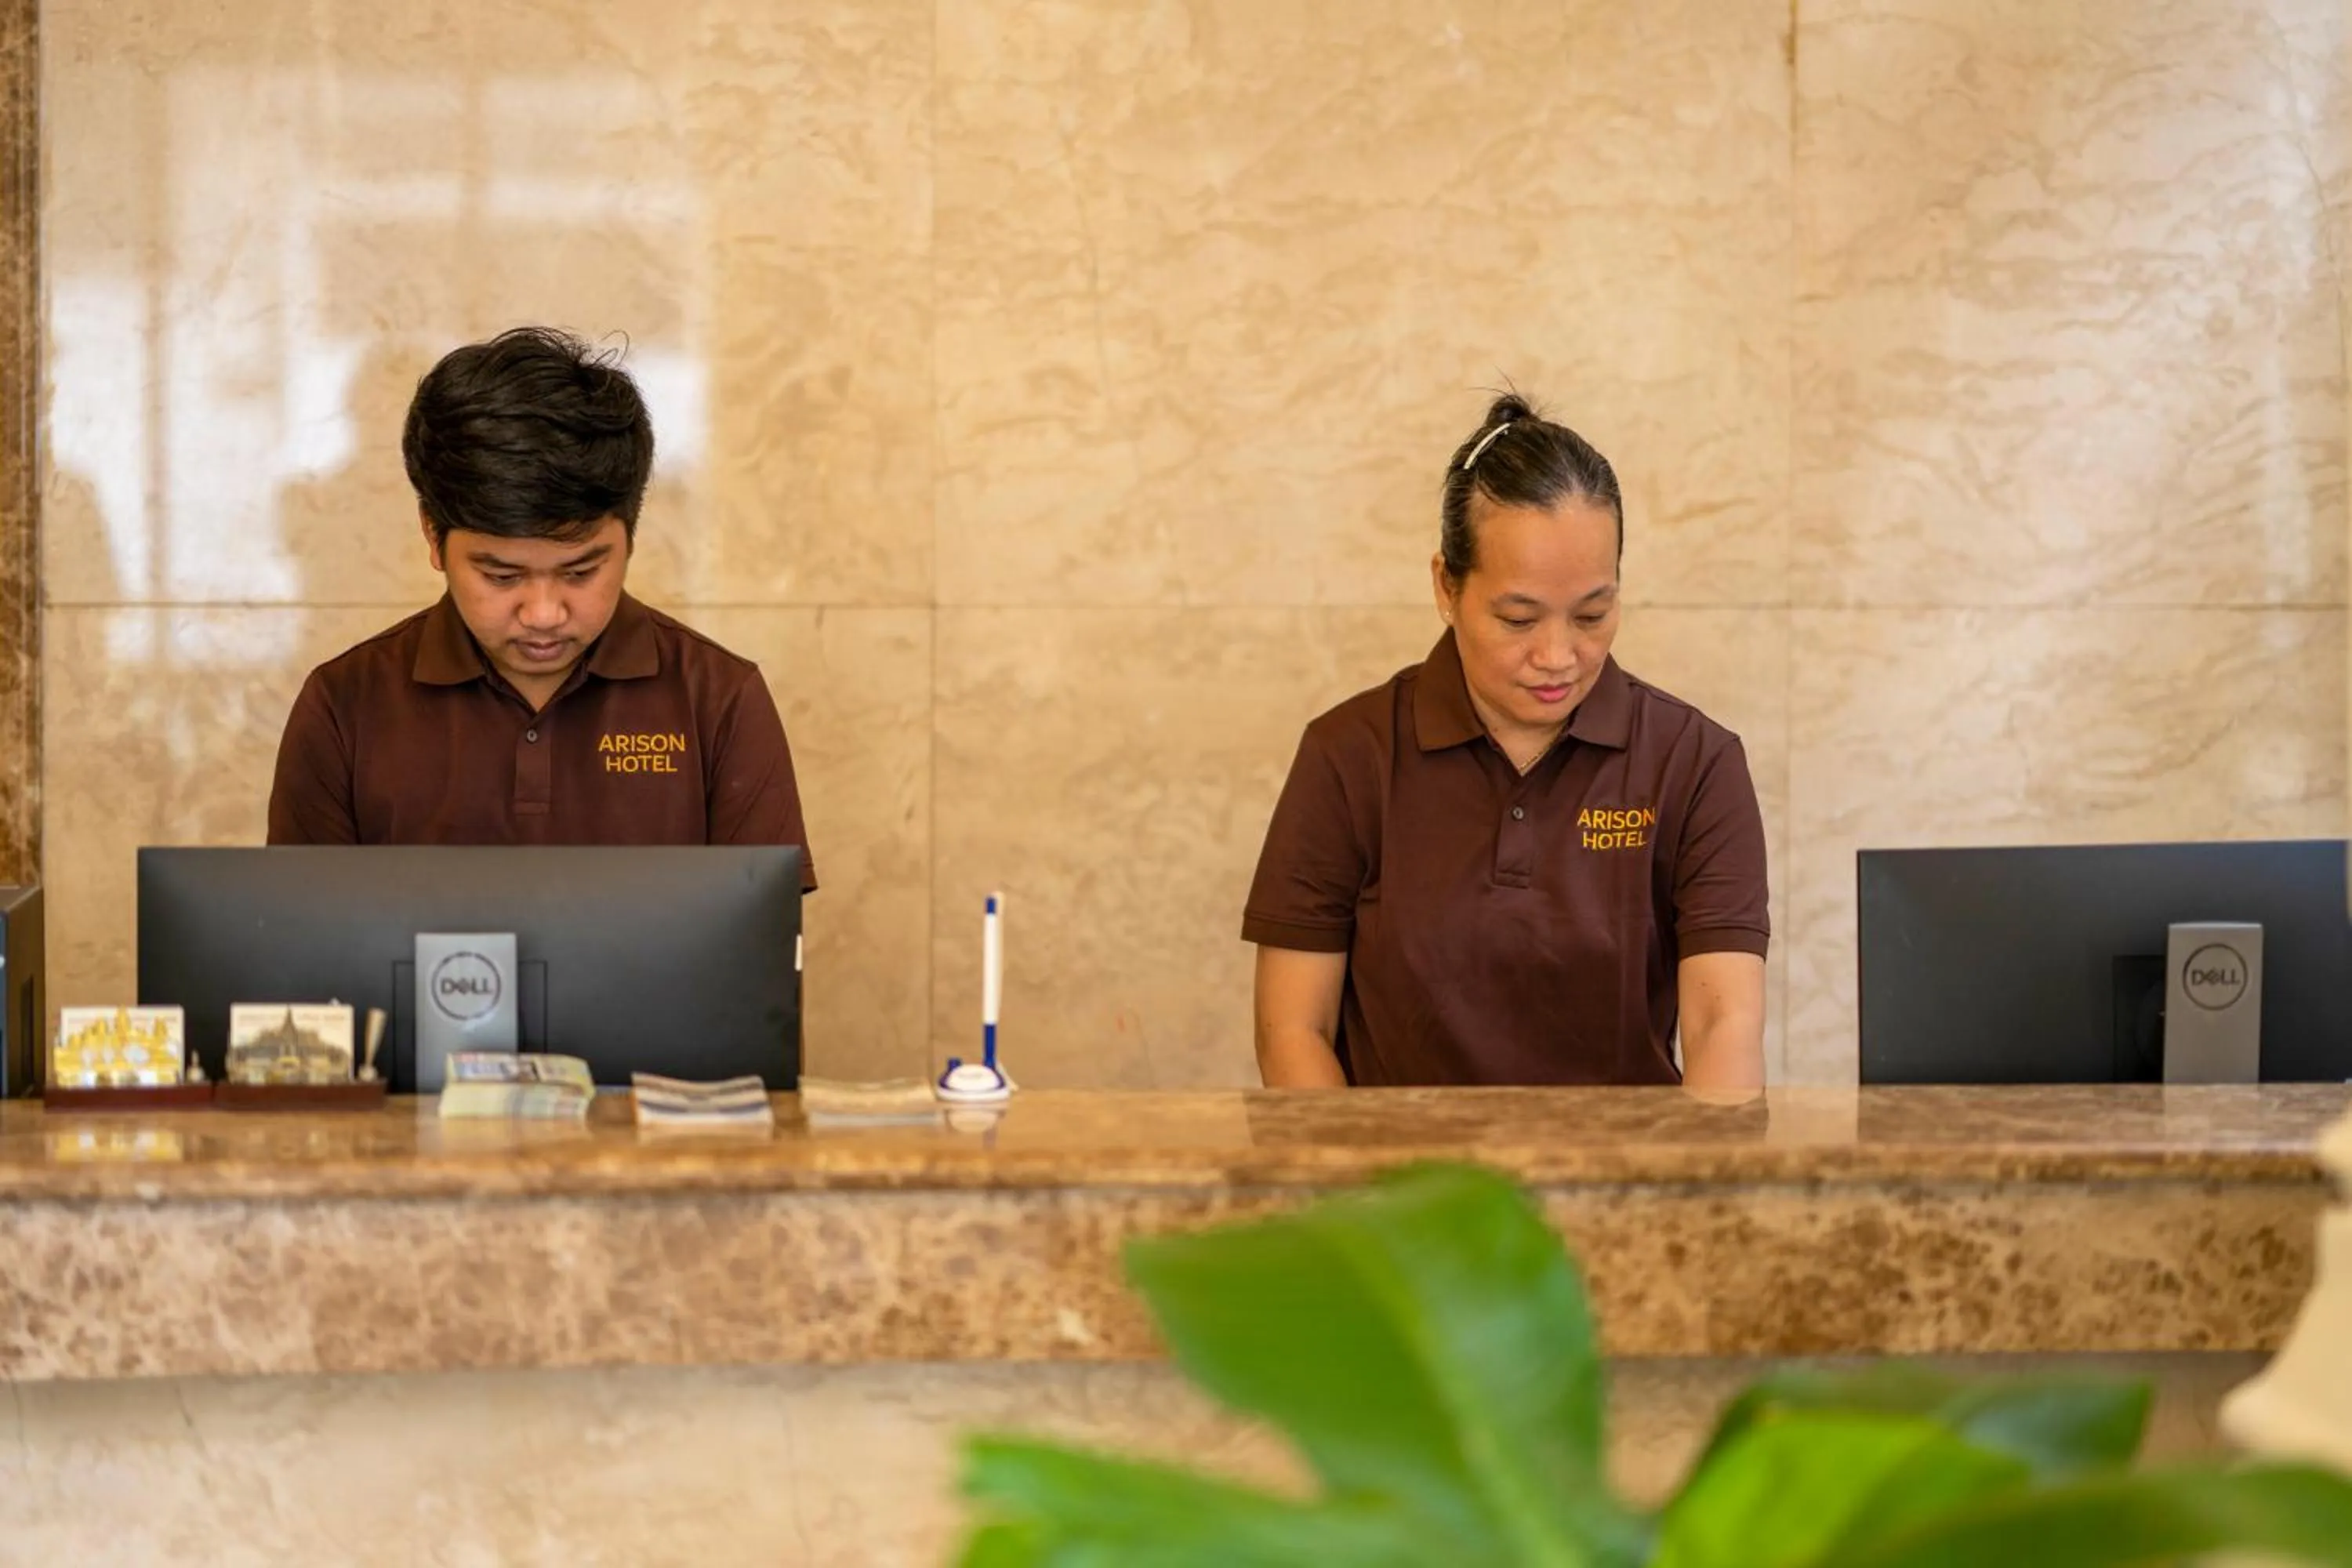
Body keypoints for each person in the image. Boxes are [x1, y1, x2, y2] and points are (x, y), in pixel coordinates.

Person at [1242, 394, 1766, 1088]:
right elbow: (1292, 1032)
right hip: (1404, 1189)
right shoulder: (1349, 756)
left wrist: (1697, 1192)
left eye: (1592, 614)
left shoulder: (1694, 764)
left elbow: (1721, 1028)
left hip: (1620, 1182)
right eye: (1519, 619)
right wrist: (1366, 1194)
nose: (1558, 655)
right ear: (1446, 587)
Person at [267, 326, 815, 882]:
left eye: (581, 571)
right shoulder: (346, 708)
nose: (544, 613)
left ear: (631, 535)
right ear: (434, 537)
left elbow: (757, 953)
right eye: (501, 575)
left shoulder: (717, 701)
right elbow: (306, 949)